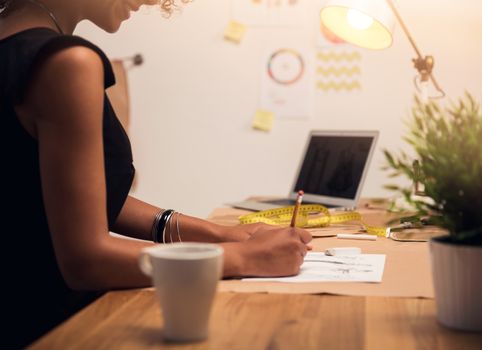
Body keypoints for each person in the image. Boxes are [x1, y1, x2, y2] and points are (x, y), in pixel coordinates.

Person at [0, 0, 312, 347]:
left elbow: (68, 199)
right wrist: (245, 258)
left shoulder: (15, 45)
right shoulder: (66, 62)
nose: (148, 1)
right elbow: (85, 261)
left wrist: (220, 235)